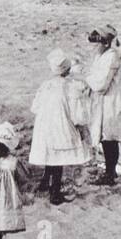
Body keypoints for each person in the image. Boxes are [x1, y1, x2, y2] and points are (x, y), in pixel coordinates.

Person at [83, 26, 121, 186]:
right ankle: (110, 171)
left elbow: (102, 84)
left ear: (104, 43)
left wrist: (86, 78)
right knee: (107, 138)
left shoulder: (111, 58)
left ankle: (110, 173)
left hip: (112, 102)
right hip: (105, 101)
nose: (93, 47)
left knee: (109, 137)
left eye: (95, 44)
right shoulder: (101, 56)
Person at [29, 51, 91, 205]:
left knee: (50, 154)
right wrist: (80, 125)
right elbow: (77, 114)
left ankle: (45, 181)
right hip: (60, 125)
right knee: (58, 159)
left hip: (45, 126)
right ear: (68, 70)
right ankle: (54, 192)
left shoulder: (46, 85)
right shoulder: (70, 87)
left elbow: (35, 107)